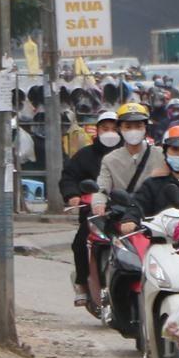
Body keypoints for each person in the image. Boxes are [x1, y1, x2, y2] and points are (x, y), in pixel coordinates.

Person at [64, 108, 122, 305]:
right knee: (80, 242)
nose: (110, 133)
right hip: (93, 213)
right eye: (105, 129)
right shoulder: (84, 156)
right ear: (97, 130)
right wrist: (72, 195)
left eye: (114, 129)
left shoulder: (128, 156)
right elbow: (69, 177)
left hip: (123, 213)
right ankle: (81, 283)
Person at [126, 123, 179, 221]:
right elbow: (136, 206)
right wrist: (130, 220)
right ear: (165, 151)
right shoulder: (152, 183)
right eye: (174, 149)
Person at [95, 102, 158, 200]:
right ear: (120, 129)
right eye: (128, 127)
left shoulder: (161, 155)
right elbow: (102, 188)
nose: (133, 131)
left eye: (138, 126)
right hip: (123, 212)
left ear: (145, 128)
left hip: (155, 212)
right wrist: (98, 203)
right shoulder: (109, 160)